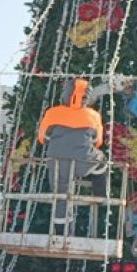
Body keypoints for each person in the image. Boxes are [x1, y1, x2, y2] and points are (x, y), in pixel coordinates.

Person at [37, 78, 108, 231]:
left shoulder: (52, 113)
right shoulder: (93, 116)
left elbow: (43, 138)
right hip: (83, 163)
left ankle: (61, 231)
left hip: (56, 163)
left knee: (61, 195)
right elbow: (98, 141)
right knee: (102, 161)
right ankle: (100, 195)